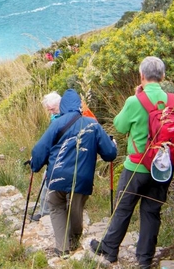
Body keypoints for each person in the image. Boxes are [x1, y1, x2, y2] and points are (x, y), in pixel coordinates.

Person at [90, 56, 174, 269]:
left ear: (141, 76)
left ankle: (109, 250)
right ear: (163, 76)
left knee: (123, 208)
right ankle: (144, 260)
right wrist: (173, 163)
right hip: (162, 168)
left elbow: (119, 125)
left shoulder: (135, 101)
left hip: (136, 167)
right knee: (152, 211)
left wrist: (135, 99)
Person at [31, 89, 117, 257]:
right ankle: (75, 239)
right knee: (76, 208)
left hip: (56, 176)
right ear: (79, 106)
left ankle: (62, 249)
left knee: (55, 206)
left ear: (62, 106)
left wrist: (35, 165)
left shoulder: (56, 123)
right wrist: (113, 145)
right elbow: (109, 154)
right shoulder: (93, 124)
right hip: (82, 179)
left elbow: (39, 149)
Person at [31, 91, 63, 222]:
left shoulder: (63, 118)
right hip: (54, 156)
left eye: (53, 109)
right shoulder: (55, 118)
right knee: (45, 183)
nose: (51, 112)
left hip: (59, 157)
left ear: (59, 104)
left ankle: (45, 214)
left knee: (48, 184)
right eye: (49, 110)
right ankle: (43, 212)